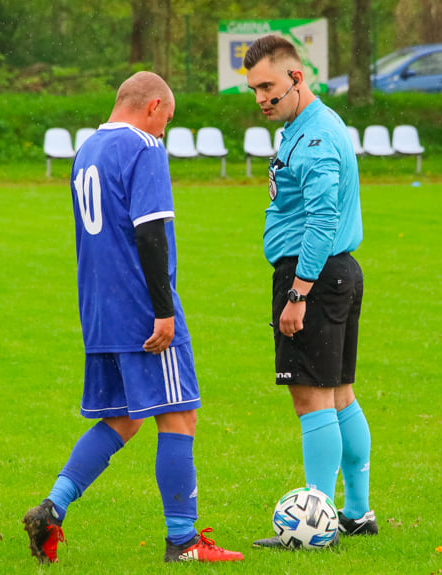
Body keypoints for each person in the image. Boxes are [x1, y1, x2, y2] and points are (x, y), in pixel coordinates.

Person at [22, 71, 243, 565]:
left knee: (122, 419)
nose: (165, 129)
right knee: (178, 414)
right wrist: (164, 311)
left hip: (98, 310)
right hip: (141, 310)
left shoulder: (86, 152)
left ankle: (51, 508)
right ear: (152, 106)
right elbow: (149, 234)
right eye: (167, 117)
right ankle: (183, 542)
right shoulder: (143, 147)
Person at [243, 35, 377, 547]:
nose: (261, 98)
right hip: (336, 273)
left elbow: (321, 218)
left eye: (268, 87)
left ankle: (314, 527)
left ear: (297, 78)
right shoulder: (305, 125)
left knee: (312, 399)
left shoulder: (316, 137)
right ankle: (357, 512)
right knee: (341, 394)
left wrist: (298, 293)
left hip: (313, 276)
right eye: (254, 89)